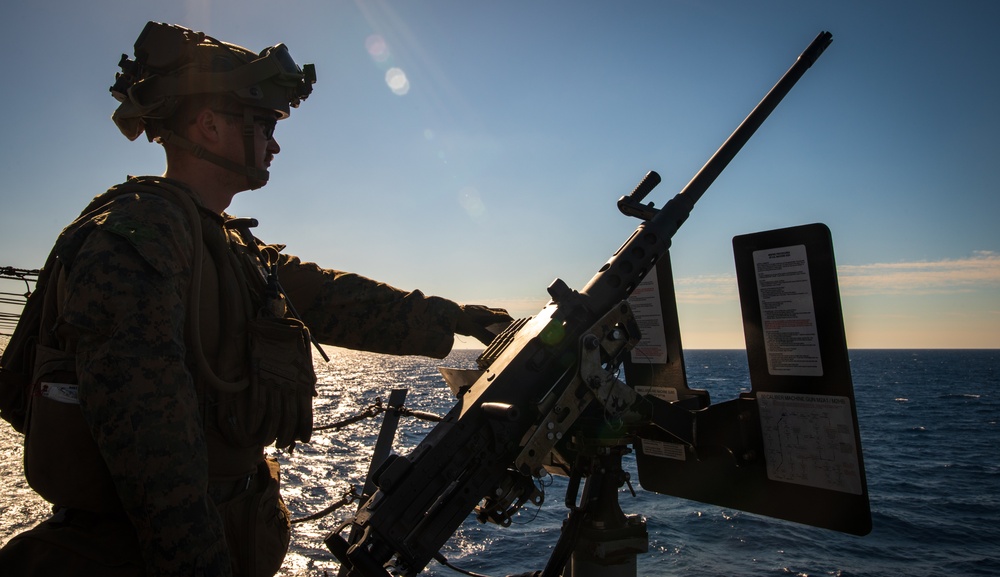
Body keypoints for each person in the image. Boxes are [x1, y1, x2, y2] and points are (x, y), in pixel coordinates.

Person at [0, 21, 511, 577]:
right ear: (210, 124)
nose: (275, 142)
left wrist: (461, 319)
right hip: (137, 554)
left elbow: (334, 298)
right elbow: (149, 446)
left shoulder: (223, 243)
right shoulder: (140, 235)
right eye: (264, 124)